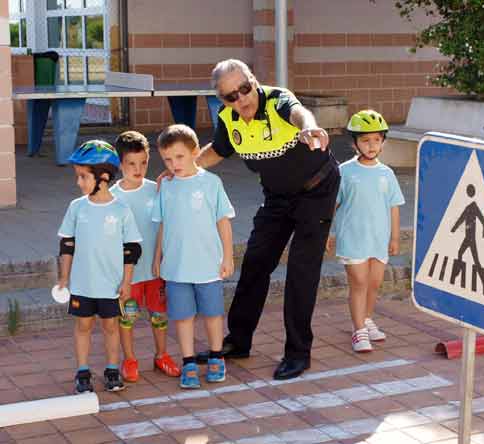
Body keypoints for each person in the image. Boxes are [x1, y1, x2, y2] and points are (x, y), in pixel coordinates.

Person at [194, 59, 340, 380]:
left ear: (254, 81)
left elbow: (299, 113)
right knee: (256, 262)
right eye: (230, 96)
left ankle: (298, 353)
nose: (241, 99)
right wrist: (184, 168)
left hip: (316, 191)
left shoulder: (278, 100)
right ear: (222, 100)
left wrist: (308, 128)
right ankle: (239, 340)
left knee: (301, 271)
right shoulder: (229, 120)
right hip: (277, 197)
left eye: (244, 89)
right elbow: (218, 150)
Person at [152, 124, 235, 389]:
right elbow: (162, 223)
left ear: (195, 152)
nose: (173, 164)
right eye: (167, 159)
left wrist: (228, 257)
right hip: (176, 267)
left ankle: (215, 356)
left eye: (179, 156)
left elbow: (223, 221)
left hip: (208, 265)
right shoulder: (166, 186)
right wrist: (158, 258)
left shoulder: (211, 183)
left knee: (212, 314)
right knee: (183, 316)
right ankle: (188, 360)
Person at [56, 140, 142, 393]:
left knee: (110, 326)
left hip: (111, 285)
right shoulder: (76, 207)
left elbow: (132, 250)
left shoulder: (121, 210)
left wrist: (127, 281)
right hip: (83, 284)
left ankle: (112, 368)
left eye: (83, 177)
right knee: (83, 326)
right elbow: (68, 245)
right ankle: (83, 371)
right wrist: (64, 278)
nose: (79, 182)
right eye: (78, 176)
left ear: (103, 177)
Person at [327, 110, 404, 353]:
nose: (371, 146)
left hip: (378, 239)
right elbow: (333, 205)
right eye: (365, 140)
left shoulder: (387, 173)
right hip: (352, 238)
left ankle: (367, 319)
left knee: (374, 283)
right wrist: (327, 233)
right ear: (354, 142)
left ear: (383, 142)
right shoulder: (344, 171)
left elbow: (393, 206)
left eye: (376, 140)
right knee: (358, 282)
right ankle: (358, 330)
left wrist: (394, 237)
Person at [110, 131, 181, 382]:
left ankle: (161, 354)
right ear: (120, 164)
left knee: (159, 315)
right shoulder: (112, 198)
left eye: (143, 163)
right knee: (127, 318)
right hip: (128, 276)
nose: (138, 169)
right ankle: (129, 359)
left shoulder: (157, 189)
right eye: (131, 163)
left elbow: (166, 224)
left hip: (156, 271)